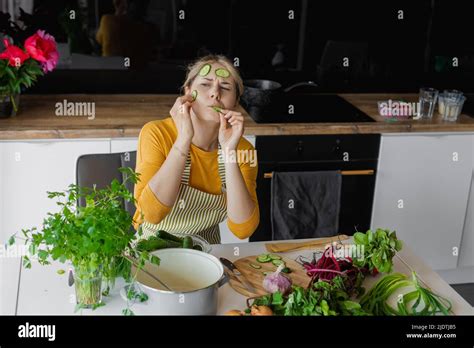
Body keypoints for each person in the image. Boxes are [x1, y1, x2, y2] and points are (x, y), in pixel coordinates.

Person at [133, 55, 259, 244]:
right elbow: (150, 213)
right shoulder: (156, 133)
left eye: (225, 87)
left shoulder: (244, 150)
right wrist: (183, 140)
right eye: (206, 84)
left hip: (206, 254)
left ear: (235, 101)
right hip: (151, 252)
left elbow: (243, 229)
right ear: (188, 92)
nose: (215, 93)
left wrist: (229, 152)